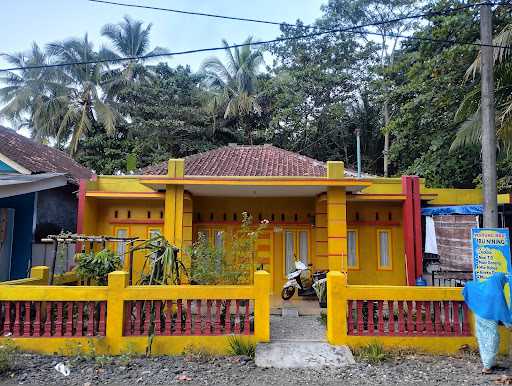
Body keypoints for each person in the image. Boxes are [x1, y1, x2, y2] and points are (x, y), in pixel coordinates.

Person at [463, 272, 512, 374]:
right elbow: (501, 310)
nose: (503, 284)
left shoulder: (485, 285)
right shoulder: (497, 292)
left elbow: (469, 286)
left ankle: (489, 363)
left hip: (479, 315)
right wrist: (509, 325)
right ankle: (487, 367)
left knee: (483, 339)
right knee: (492, 340)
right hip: (488, 318)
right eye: (503, 282)